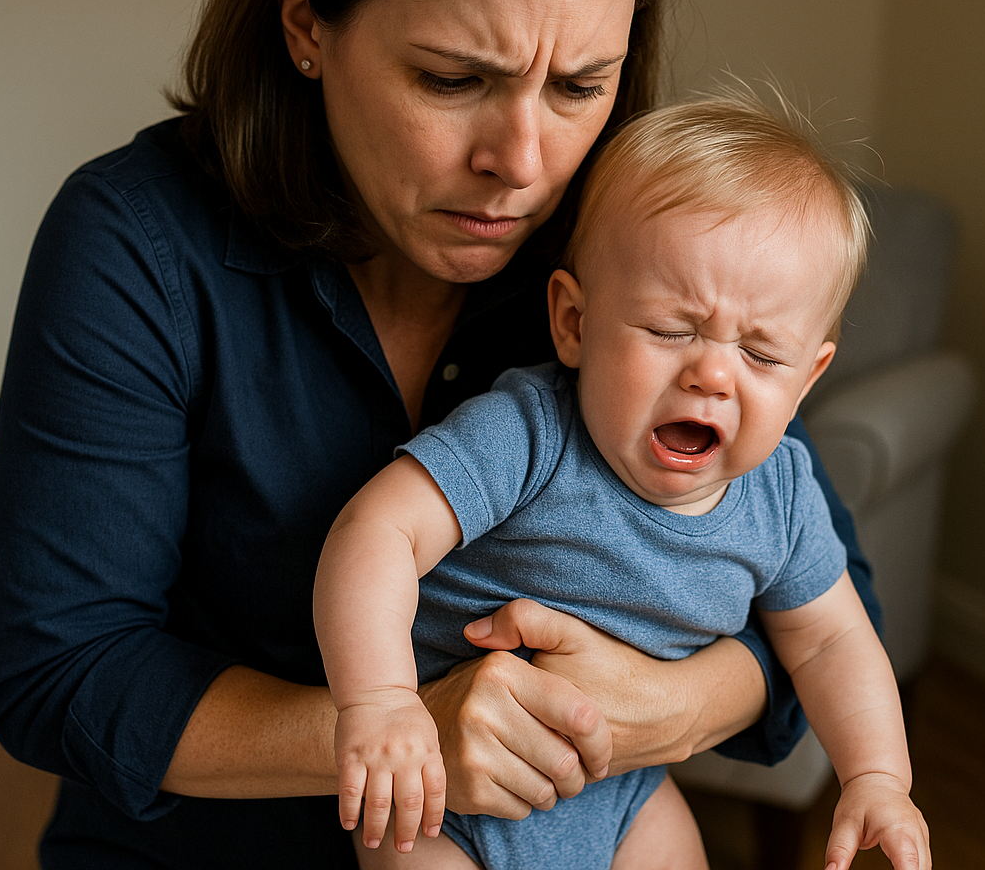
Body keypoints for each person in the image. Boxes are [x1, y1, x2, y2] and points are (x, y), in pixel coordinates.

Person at [0, 0, 877, 868]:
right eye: (454, 79)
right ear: (304, 24)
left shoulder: (638, 249)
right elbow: (61, 670)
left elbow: (823, 586)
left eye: (582, 84)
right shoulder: (135, 244)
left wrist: (663, 707)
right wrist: (395, 729)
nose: (523, 163)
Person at [315, 94, 931, 870]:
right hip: (444, 800)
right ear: (574, 322)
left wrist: (878, 776)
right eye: (673, 329)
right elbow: (377, 531)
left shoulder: (782, 496)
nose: (713, 373)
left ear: (807, 381)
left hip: (622, 798)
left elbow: (835, 638)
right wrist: (380, 704)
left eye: (763, 356)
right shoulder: (530, 431)